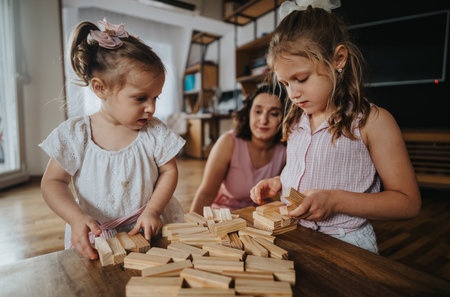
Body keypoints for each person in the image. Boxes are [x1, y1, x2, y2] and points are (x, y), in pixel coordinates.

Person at [250, 0, 421, 253]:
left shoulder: (372, 122)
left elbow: (408, 203)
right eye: (285, 83)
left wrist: (334, 200)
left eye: (301, 79)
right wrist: (282, 183)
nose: (293, 94)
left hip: (347, 244)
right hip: (297, 234)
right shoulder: (298, 120)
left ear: (338, 58)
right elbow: (316, 169)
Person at [39, 19, 185, 260]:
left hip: (148, 228)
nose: (151, 108)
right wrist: (76, 218)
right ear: (100, 88)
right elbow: (52, 182)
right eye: (140, 98)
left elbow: (169, 171)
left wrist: (154, 210)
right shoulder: (76, 135)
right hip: (97, 237)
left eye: (156, 98)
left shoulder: (154, 131)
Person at [189, 84, 287, 214]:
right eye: (258, 111)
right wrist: (191, 228)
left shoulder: (284, 149)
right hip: (224, 216)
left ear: (284, 118)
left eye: (274, 114)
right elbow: (206, 193)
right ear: (248, 114)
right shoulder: (228, 142)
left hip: (259, 217)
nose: (263, 120)